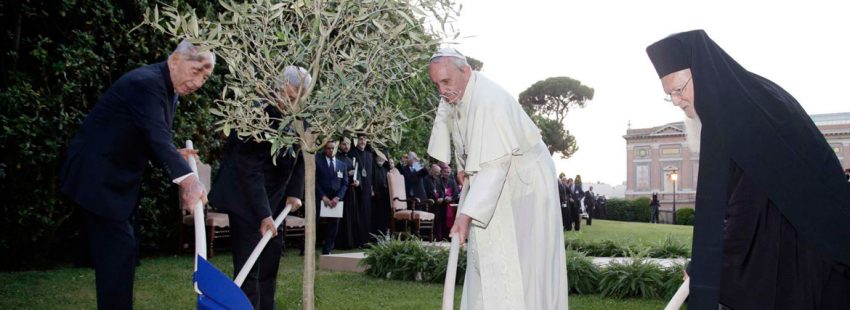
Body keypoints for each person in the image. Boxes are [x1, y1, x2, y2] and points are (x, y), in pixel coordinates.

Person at [647, 30, 850, 310]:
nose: (676, 101)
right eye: (669, 95)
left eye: (679, 90)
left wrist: (704, 266)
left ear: (702, 73)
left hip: (808, 252)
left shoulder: (740, 117)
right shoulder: (751, 97)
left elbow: (746, 210)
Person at [59, 40, 213, 309]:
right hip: (97, 178)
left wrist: (175, 155)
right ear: (175, 60)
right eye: (196, 70)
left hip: (113, 181)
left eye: (205, 76)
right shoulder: (146, 83)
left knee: (121, 253)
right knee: (119, 251)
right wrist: (188, 180)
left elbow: (149, 135)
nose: (199, 81)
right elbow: (155, 136)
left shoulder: (168, 90)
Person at [427, 48, 568, 309]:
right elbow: (464, 137)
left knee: (523, 262)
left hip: (527, 185)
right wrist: (463, 167)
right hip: (497, 179)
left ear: (465, 71)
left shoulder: (489, 101)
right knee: (490, 256)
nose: (441, 90)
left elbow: (494, 167)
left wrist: (465, 216)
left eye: (445, 81)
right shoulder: (457, 94)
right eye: (436, 83)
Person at [208, 66, 309, 310]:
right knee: (248, 267)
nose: (295, 103)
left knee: (269, 261)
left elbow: (302, 157)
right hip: (245, 198)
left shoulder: (299, 118)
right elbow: (249, 170)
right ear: (281, 88)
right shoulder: (255, 115)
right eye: (292, 96)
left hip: (274, 198)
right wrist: (264, 214)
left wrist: (295, 192)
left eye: (300, 98)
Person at [314, 141, 348, 254]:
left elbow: (345, 183)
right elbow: (315, 181)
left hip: (335, 200)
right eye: (328, 148)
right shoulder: (318, 162)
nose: (330, 150)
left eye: (333, 148)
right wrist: (323, 196)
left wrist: (338, 197)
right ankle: (307, 248)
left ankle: (327, 249)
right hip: (321, 198)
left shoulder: (342, 165)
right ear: (324, 149)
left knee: (333, 227)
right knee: (315, 223)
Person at [335, 139, 363, 249]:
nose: (346, 146)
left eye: (348, 144)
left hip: (351, 192)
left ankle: (351, 242)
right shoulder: (336, 158)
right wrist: (347, 173)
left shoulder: (350, 159)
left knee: (351, 217)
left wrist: (358, 182)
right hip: (341, 192)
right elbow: (335, 174)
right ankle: (341, 243)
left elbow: (358, 174)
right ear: (340, 145)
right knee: (341, 219)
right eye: (344, 144)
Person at [370, 150, 392, 239]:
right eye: (379, 156)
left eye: (383, 158)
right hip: (374, 196)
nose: (381, 159)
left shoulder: (385, 169)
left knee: (383, 217)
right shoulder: (372, 166)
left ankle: (382, 235)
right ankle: (373, 236)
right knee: (374, 217)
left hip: (384, 197)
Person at [423, 163, 446, 240]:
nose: (437, 174)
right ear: (431, 170)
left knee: (437, 221)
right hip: (429, 204)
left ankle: (435, 237)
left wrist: (442, 198)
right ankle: (427, 237)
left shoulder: (438, 179)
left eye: (438, 172)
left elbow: (442, 191)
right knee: (428, 220)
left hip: (438, 204)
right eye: (436, 172)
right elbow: (425, 192)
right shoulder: (425, 179)